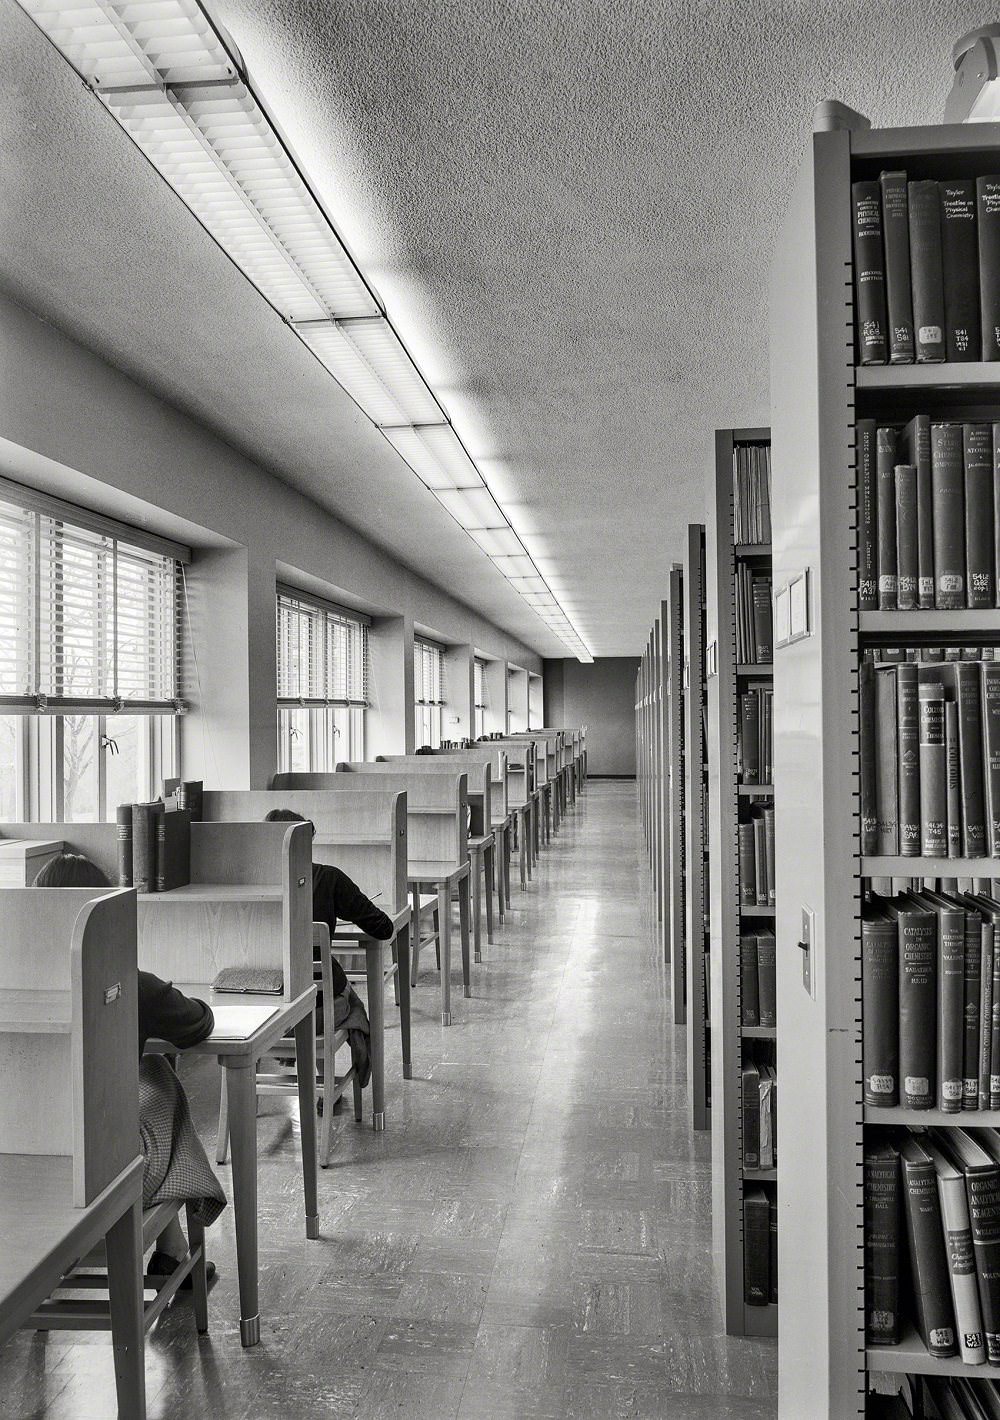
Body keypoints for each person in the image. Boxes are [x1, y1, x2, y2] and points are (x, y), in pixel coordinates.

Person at [33, 852, 225, 1284]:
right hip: (101, 1176)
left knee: (150, 1080)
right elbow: (198, 1024)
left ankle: (173, 1249)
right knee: (160, 1080)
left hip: (30, 1178)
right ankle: (174, 1251)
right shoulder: (129, 983)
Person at [264, 809, 394, 1088]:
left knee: (320, 984)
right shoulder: (329, 878)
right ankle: (327, 1087)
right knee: (339, 990)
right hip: (315, 1012)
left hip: (264, 1017)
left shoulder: (252, 884)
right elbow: (383, 928)